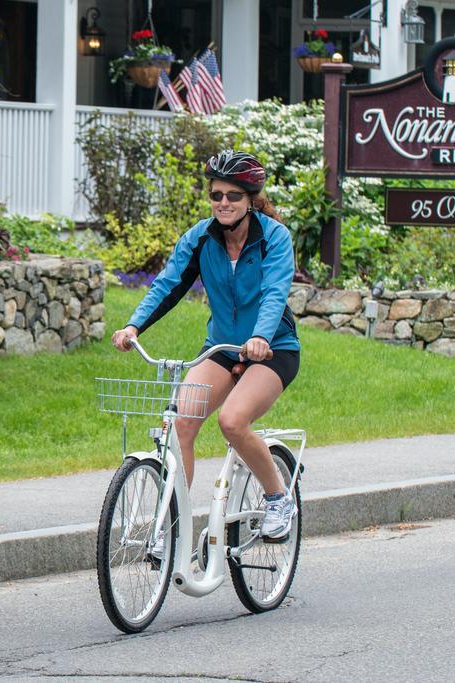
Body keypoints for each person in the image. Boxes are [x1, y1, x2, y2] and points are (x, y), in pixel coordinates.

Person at [110, 150, 300, 541]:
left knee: (232, 421)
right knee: (180, 424)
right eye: (216, 195)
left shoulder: (274, 238)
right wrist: (133, 326)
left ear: (250, 200)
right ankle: (171, 524)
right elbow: (168, 284)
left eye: (233, 196)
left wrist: (262, 336)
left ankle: (279, 497)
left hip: (272, 349)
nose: (223, 203)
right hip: (222, 348)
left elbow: (275, 292)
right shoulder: (200, 238)